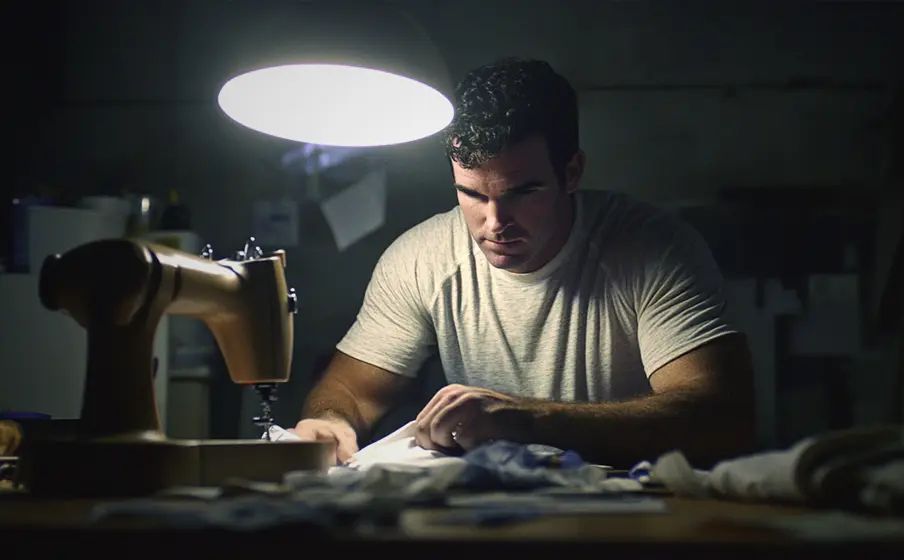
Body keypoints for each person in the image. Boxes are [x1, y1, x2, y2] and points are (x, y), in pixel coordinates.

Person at [291, 57, 756, 469]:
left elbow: (720, 418)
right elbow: (349, 390)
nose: (494, 222)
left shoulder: (653, 248)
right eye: (471, 194)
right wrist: (329, 422)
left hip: (635, 517)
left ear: (571, 173)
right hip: (491, 519)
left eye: (522, 193)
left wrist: (526, 419)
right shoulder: (421, 258)